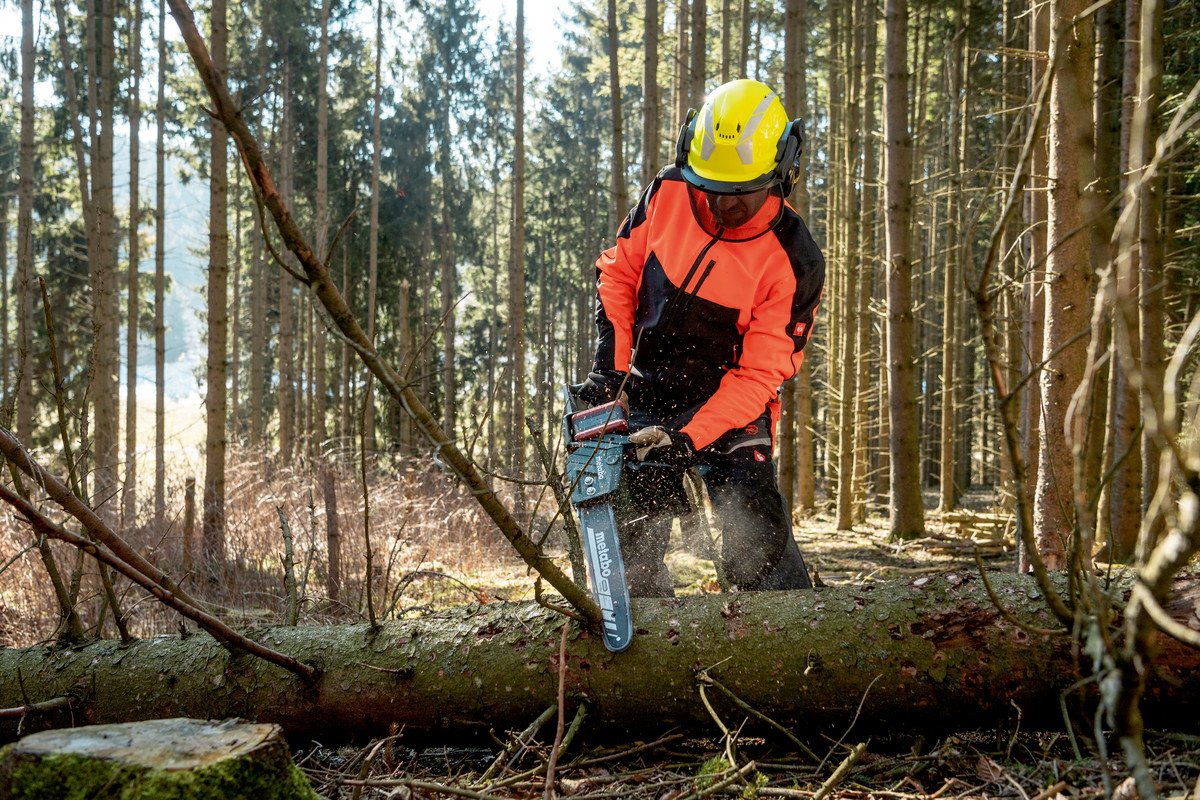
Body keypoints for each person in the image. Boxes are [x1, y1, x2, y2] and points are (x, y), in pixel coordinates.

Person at [577, 78, 825, 597]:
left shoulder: (793, 258)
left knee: (755, 533)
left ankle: (782, 638)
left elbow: (760, 374)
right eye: (710, 187)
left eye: (739, 193)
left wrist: (690, 435)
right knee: (628, 545)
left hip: (730, 406)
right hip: (646, 388)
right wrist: (612, 371)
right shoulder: (668, 192)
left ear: (781, 172)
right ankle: (644, 642)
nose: (720, 204)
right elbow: (618, 274)